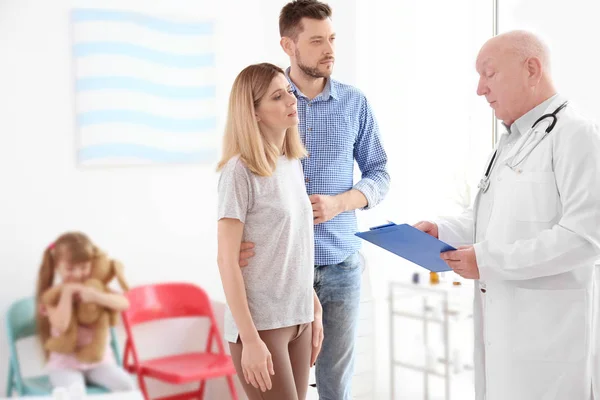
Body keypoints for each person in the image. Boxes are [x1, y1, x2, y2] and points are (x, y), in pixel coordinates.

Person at [415, 30, 600, 400]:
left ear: (531, 68)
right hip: (504, 336)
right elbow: (491, 217)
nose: (480, 89)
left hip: (550, 343)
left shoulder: (577, 136)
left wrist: (487, 260)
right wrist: (443, 230)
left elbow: (584, 239)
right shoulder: (511, 141)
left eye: (489, 73)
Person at [238, 2, 389, 399]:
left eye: (332, 39)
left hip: (340, 264)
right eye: (317, 40)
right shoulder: (268, 104)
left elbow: (380, 173)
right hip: (281, 273)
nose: (329, 50)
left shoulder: (355, 104)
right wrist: (235, 245)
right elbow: (244, 182)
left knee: (335, 382)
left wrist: (341, 203)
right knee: (286, 387)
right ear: (289, 45)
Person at [216, 62, 324, 400]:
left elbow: (294, 248)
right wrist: (249, 339)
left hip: (299, 316)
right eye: (278, 97)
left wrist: (314, 309)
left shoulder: (290, 163)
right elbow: (226, 260)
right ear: (255, 113)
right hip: (262, 324)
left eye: (289, 92)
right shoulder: (238, 172)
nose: (291, 100)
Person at [35, 231, 134, 392]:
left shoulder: (96, 287)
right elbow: (62, 324)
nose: (77, 274)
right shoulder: (52, 296)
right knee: (76, 391)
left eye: (84, 267)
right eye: (70, 268)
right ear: (57, 266)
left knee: (127, 385)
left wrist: (96, 297)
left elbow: (125, 303)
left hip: (99, 362)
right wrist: (67, 292)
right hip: (64, 366)